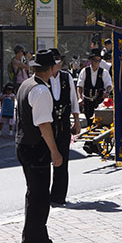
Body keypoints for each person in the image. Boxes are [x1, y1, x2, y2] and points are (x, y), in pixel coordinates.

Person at [15, 49, 63, 243]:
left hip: (25, 144)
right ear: (51, 68)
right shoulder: (41, 91)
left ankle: (32, 236)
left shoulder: (27, 84)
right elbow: (44, 124)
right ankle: (35, 239)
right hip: (36, 147)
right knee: (40, 195)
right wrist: (55, 151)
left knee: (33, 193)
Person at [48, 48, 81, 206]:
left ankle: (58, 196)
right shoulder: (43, 79)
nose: (58, 64)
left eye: (59, 62)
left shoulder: (65, 77)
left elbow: (73, 100)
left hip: (63, 124)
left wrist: (77, 120)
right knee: (45, 160)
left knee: (63, 160)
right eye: (56, 62)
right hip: (47, 125)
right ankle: (44, 194)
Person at [76, 48, 113, 123]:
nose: (97, 62)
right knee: (89, 119)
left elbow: (109, 85)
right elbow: (80, 86)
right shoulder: (85, 71)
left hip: (99, 101)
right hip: (87, 100)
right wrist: (80, 98)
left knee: (100, 121)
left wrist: (107, 92)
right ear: (91, 60)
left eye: (99, 60)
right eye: (95, 60)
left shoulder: (104, 72)